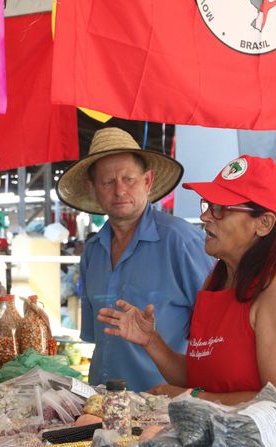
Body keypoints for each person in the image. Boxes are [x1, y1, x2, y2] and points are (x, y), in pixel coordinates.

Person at [97, 155, 276, 419]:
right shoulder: (217, 280)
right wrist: (151, 341)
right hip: (219, 443)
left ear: (264, 223)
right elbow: (201, 376)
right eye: (208, 205)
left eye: (220, 209)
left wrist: (191, 398)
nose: (205, 216)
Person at [56, 127, 213, 392]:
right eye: (108, 182)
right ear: (92, 188)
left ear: (147, 182)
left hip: (164, 406)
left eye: (129, 179)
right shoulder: (93, 251)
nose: (119, 191)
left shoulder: (181, 241)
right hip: (102, 404)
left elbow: (217, 334)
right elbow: (97, 338)